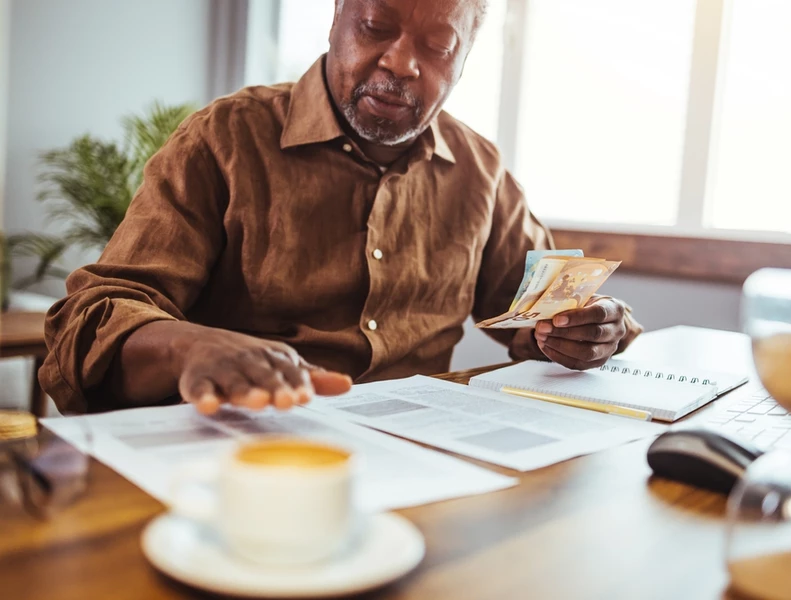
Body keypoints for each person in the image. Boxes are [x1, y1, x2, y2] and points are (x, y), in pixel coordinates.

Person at [40, 0, 642, 415]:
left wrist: (583, 331)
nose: (403, 64)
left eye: (438, 46)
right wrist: (188, 346)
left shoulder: (480, 169)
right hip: (243, 453)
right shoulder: (222, 139)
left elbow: (542, 314)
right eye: (377, 26)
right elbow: (86, 320)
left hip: (425, 456)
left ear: (464, 61)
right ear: (336, 18)